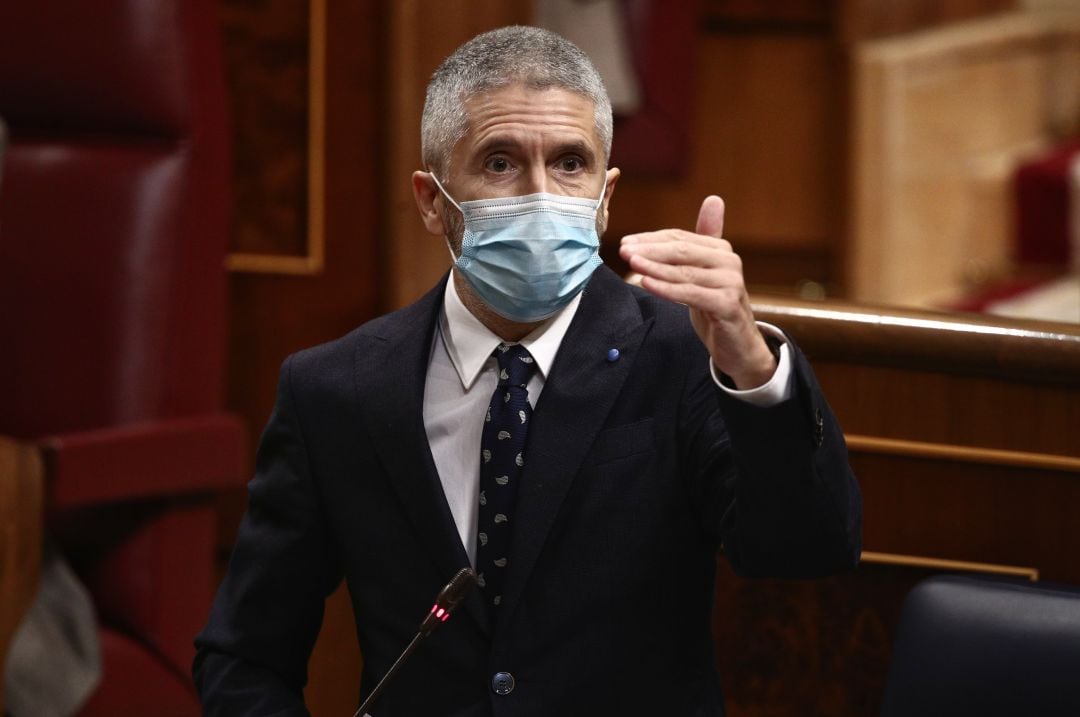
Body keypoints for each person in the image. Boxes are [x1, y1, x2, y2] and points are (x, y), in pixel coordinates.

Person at [194, 25, 861, 716]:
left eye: (570, 163)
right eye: (501, 163)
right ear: (431, 199)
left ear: (605, 197)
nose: (542, 194)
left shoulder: (686, 356)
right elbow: (244, 658)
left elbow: (809, 548)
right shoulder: (336, 390)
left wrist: (751, 361)